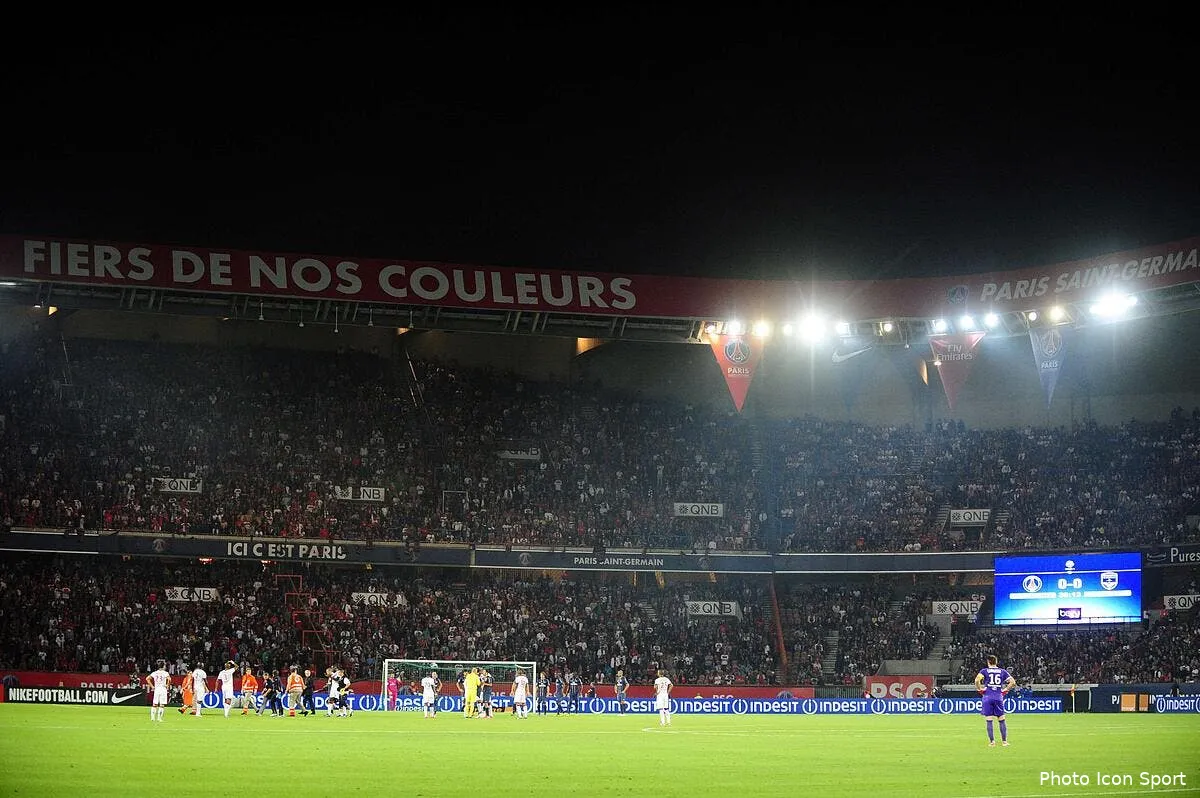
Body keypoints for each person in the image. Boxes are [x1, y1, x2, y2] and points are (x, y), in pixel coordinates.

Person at [975, 654, 1016, 747]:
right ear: (996, 662)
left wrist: (979, 689)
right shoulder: (1002, 671)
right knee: (1001, 719)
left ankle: (992, 742)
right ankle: (1004, 742)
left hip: (987, 697)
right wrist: (1005, 690)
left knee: (989, 720)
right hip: (998, 697)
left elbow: (977, 680)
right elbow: (1013, 682)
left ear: (988, 662)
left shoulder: (984, 671)